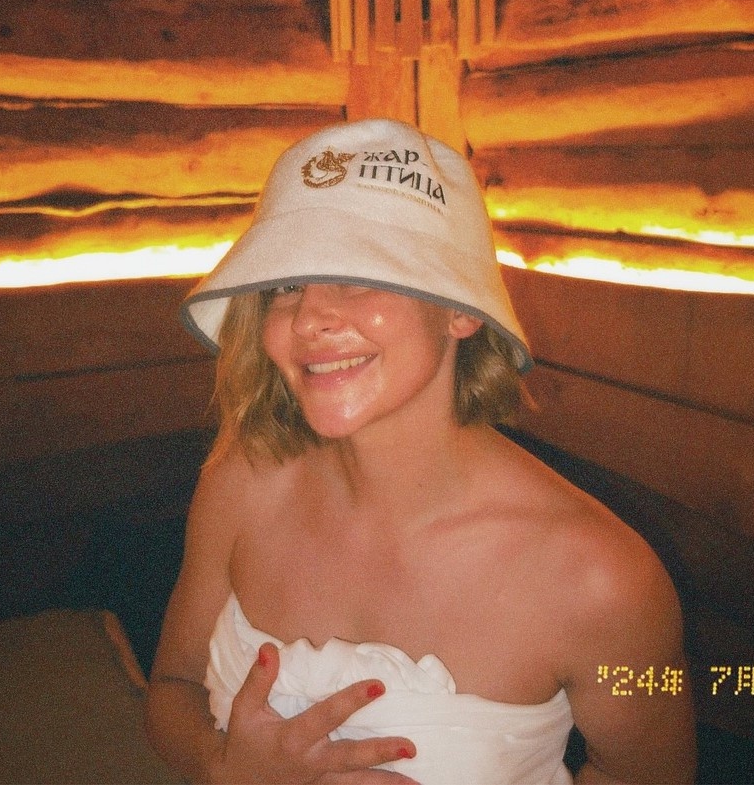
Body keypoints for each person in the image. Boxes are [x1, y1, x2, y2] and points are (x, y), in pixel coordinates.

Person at [145, 118, 696, 784]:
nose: (309, 318)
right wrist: (223, 767)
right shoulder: (243, 475)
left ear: (461, 310)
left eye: (355, 274)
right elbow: (172, 684)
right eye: (285, 286)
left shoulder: (609, 582)